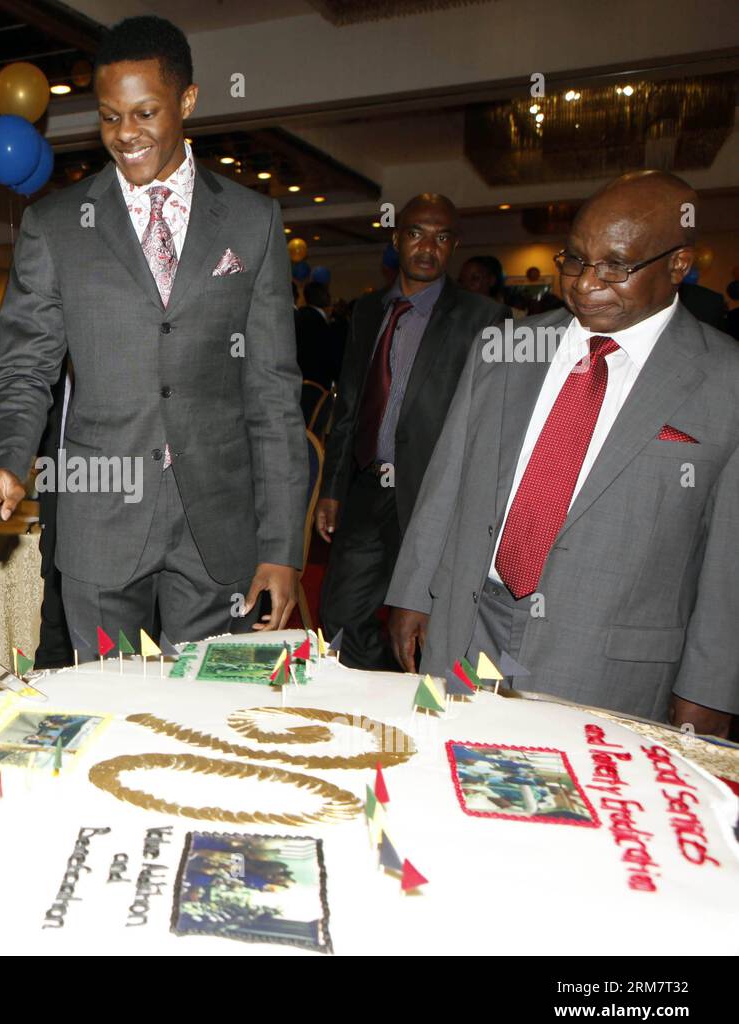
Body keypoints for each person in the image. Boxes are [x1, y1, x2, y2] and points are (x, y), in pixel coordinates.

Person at [0, 15, 305, 649]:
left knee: (209, 710)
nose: (125, 135)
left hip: (217, 522)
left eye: (144, 114)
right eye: (110, 117)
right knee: (104, 706)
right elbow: (27, 367)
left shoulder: (253, 222)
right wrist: (5, 460)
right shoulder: (56, 225)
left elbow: (274, 396)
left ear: (187, 101)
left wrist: (282, 546)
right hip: (101, 515)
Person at [387, 171, 739, 733]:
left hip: (604, 660)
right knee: (441, 778)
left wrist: (708, 691)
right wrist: (413, 591)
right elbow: (447, 480)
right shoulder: (505, 347)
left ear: (678, 265)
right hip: (469, 622)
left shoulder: (725, 381)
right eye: (574, 260)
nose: (585, 284)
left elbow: (729, 566)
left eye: (615, 266)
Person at [316, 194, 509, 669]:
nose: (428, 247)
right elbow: (350, 409)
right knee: (340, 618)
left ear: (454, 246)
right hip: (365, 488)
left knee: (423, 628)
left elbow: (493, 424)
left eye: (442, 237)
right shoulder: (366, 311)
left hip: (434, 497)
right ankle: (365, 708)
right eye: (417, 233)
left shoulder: (483, 318)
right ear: (397, 238)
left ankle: (420, 721)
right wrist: (332, 489)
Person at [294, 281, 343, 389]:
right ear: (325, 297)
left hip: (298, 383)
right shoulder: (322, 325)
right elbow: (331, 359)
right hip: (318, 387)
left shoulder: (298, 317)